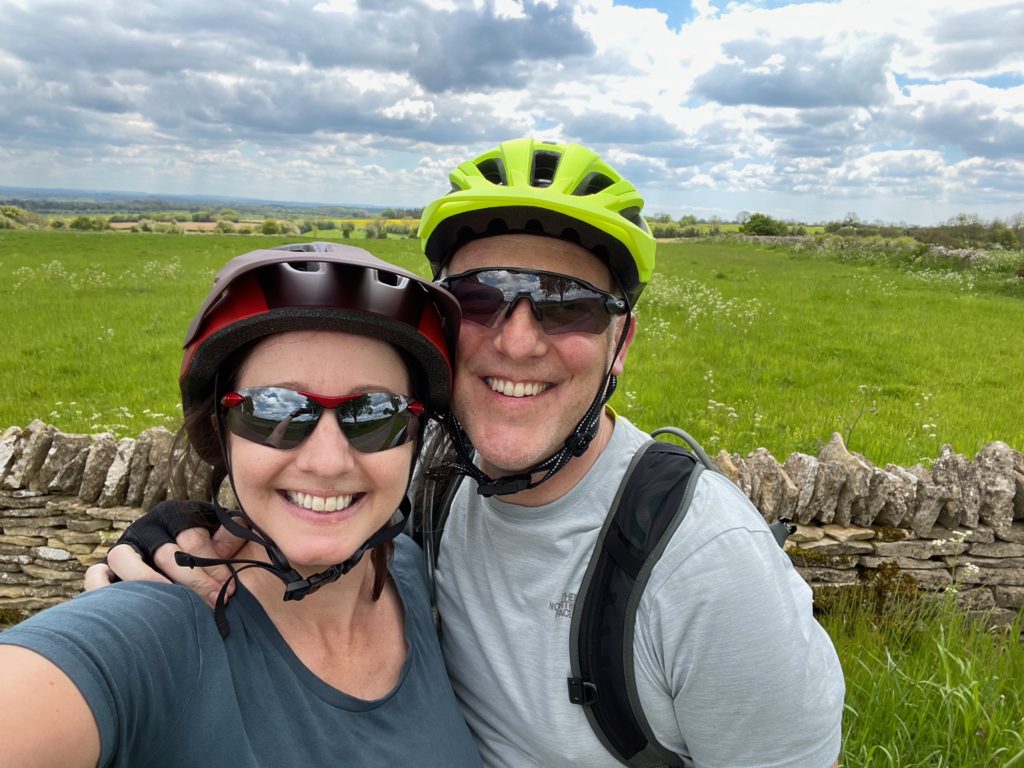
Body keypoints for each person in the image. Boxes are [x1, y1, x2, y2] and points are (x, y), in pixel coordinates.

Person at [88, 138, 845, 767]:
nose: (517, 339)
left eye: (567, 304)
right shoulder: (430, 470)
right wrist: (192, 536)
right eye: (483, 297)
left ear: (621, 346)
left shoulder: (709, 572)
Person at [0, 243, 482, 767]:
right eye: (274, 409)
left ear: (414, 436)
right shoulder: (156, 628)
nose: (326, 461)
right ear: (220, 431)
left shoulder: (410, 575)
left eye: (375, 413)